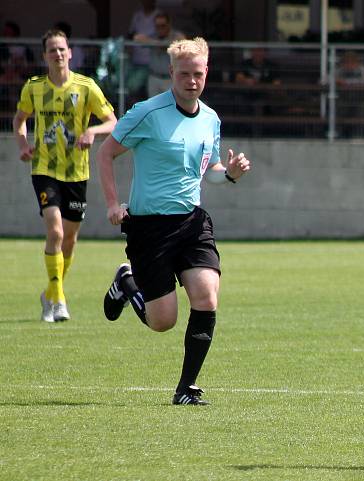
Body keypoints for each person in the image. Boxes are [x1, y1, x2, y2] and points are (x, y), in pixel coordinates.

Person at [97, 37, 251, 405]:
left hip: (192, 223)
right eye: (184, 74)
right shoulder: (147, 113)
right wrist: (113, 203)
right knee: (162, 321)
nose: (192, 81)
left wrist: (228, 173)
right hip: (149, 227)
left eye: (198, 74)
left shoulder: (211, 118)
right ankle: (127, 283)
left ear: (206, 73)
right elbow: (106, 153)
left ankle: (186, 389)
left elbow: (208, 170)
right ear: (171, 74)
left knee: (207, 295)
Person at [12, 29, 117, 322]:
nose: (58, 54)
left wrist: (91, 132)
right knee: (55, 231)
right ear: (45, 56)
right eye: (52, 50)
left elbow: (112, 122)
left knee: (69, 240)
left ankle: (50, 291)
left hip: (77, 172)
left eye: (62, 49)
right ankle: (58, 300)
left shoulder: (86, 87)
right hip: (45, 168)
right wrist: (22, 144)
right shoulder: (33, 87)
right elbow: (20, 120)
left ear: (70, 53)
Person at [335, 50, 364, 138]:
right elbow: (325, 80)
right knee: (337, 110)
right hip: (343, 99)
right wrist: (336, 81)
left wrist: (345, 82)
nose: (349, 64)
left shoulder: (362, 69)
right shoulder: (340, 69)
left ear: (356, 62)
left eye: (352, 62)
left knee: (362, 112)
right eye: (347, 62)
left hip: (360, 99)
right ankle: (339, 137)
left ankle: (358, 138)